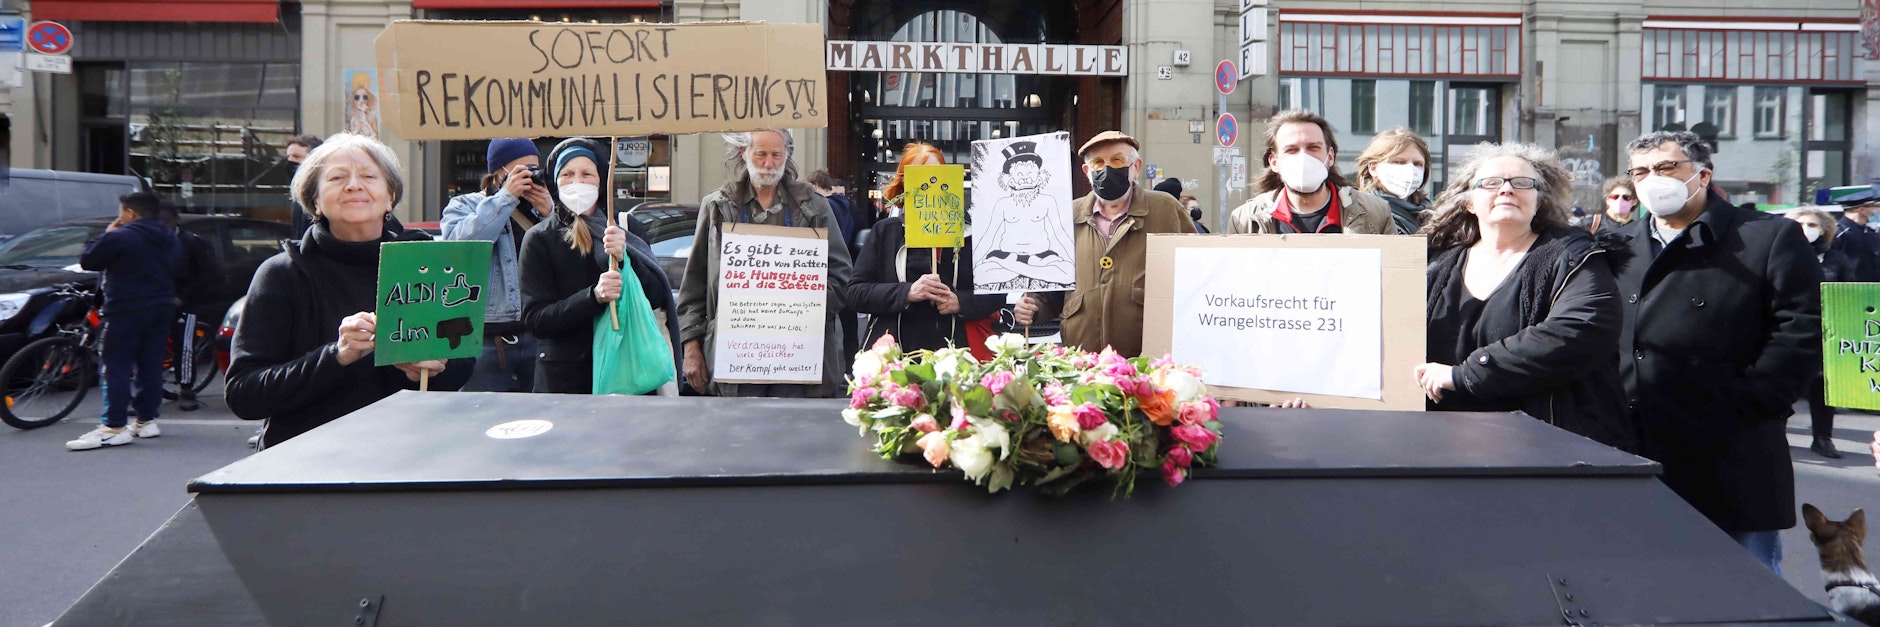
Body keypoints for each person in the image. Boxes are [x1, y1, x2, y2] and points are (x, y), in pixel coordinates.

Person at [1611, 130, 1821, 574]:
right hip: (1638, 442)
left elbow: (1800, 331)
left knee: (1746, 590)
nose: (1653, 180)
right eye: (1641, 171)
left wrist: (1751, 401)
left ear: (1702, 175)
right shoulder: (1620, 246)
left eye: (1667, 168)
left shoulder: (1765, 237)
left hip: (1732, 446)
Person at [225, 133, 471, 449]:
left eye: (369, 176)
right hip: (306, 468)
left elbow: (462, 366)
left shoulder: (430, 264)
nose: (354, 185)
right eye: (338, 177)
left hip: (410, 458)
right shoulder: (283, 273)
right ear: (314, 200)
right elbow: (245, 395)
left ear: (390, 196)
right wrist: (338, 355)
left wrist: (427, 369)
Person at [1416, 143, 1633, 451]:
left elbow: (1580, 330)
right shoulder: (1436, 265)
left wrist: (1465, 374)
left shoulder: (1575, 256)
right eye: (1491, 183)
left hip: (1545, 449)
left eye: (1522, 183)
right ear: (1469, 203)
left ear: (1538, 201)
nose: (1506, 190)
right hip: (1445, 444)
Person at [676, 129, 853, 398]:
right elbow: (694, 288)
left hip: (799, 362)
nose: (768, 164)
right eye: (761, 154)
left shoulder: (814, 207)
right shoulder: (717, 207)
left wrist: (801, 309)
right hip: (735, 362)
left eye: (776, 155)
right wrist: (691, 348)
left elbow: (842, 277)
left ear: (787, 155)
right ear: (743, 153)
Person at [1012, 131, 1196, 358]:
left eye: (1117, 160)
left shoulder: (1165, 209)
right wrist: (1033, 306)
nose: (1107, 169)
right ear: (1087, 172)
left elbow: (1196, 275)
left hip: (1148, 360)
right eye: (1098, 163)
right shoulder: (1066, 216)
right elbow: (1050, 289)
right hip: (1082, 360)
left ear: (1135, 167)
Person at [519, 137, 680, 395]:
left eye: (587, 174)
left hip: (628, 373)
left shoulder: (627, 228)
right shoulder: (540, 239)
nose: (577, 182)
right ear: (554, 182)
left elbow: (657, 296)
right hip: (567, 384)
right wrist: (594, 297)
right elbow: (537, 320)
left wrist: (626, 259)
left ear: (602, 179)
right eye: (567, 174)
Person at [848, 143, 1003, 354]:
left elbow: (996, 293)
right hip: (896, 354)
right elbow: (855, 293)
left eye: (937, 175)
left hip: (957, 354)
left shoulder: (971, 233)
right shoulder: (886, 232)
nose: (930, 185)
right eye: (919, 177)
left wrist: (961, 302)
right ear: (904, 184)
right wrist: (907, 292)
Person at [63, 192, 182, 450]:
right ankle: (146, 420)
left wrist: (106, 233)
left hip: (124, 308)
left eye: (121, 211)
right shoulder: (168, 237)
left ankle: (114, 426)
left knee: (114, 365)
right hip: (160, 306)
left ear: (129, 212)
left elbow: (89, 260)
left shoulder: (121, 236)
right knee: (149, 365)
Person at [442, 138, 551, 393]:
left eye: (535, 168)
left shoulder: (539, 208)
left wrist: (551, 214)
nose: (531, 176)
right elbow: (460, 250)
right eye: (522, 170)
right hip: (484, 341)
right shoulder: (464, 205)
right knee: (479, 422)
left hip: (536, 336)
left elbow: (567, 258)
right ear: (499, 173)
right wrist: (506, 198)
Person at [1228, 109, 1392, 234]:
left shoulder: (1375, 213)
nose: (1303, 157)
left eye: (1313, 148)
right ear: (1274, 162)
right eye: (1291, 150)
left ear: (1330, 156)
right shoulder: (1245, 220)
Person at [1785, 207, 1854, 459]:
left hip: (1826, 332)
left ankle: (1823, 438)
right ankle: (1776, 435)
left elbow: (1849, 294)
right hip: (1787, 330)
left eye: (1812, 224)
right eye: (1800, 223)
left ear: (1824, 229)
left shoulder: (1837, 260)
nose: (1806, 228)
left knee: (1822, 389)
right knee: (1783, 385)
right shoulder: (1781, 254)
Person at [162, 204, 224, 412]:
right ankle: (149, 390)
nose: (162, 226)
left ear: (176, 220)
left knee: (184, 344)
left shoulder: (192, 243)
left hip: (185, 302)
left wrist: (183, 296)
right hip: (158, 301)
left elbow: (209, 274)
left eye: (166, 221)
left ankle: (186, 389)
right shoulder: (152, 242)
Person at [809, 169, 862, 373]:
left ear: (815, 186)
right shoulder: (849, 208)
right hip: (849, 270)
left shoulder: (821, 209)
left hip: (825, 272)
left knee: (827, 327)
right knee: (850, 330)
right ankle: (852, 371)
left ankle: (829, 371)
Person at [1353, 128, 1433, 235]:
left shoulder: (1434, 215)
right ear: (1373, 168)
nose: (1410, 169)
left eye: (1417, 164)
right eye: (1398, 162)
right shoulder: (1360, 213)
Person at [286, 134, 323, 240]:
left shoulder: (320, 191)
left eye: (296, 156)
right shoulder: (297, 191)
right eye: (288, 156)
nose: (290, 161)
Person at [1833, 200, 1880, 282]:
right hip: (1847, 288)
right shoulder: (1838, 233)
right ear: (1861, 209)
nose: (1877, 209)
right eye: (1873, 205)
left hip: (1873, 287)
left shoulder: (1871, 232)